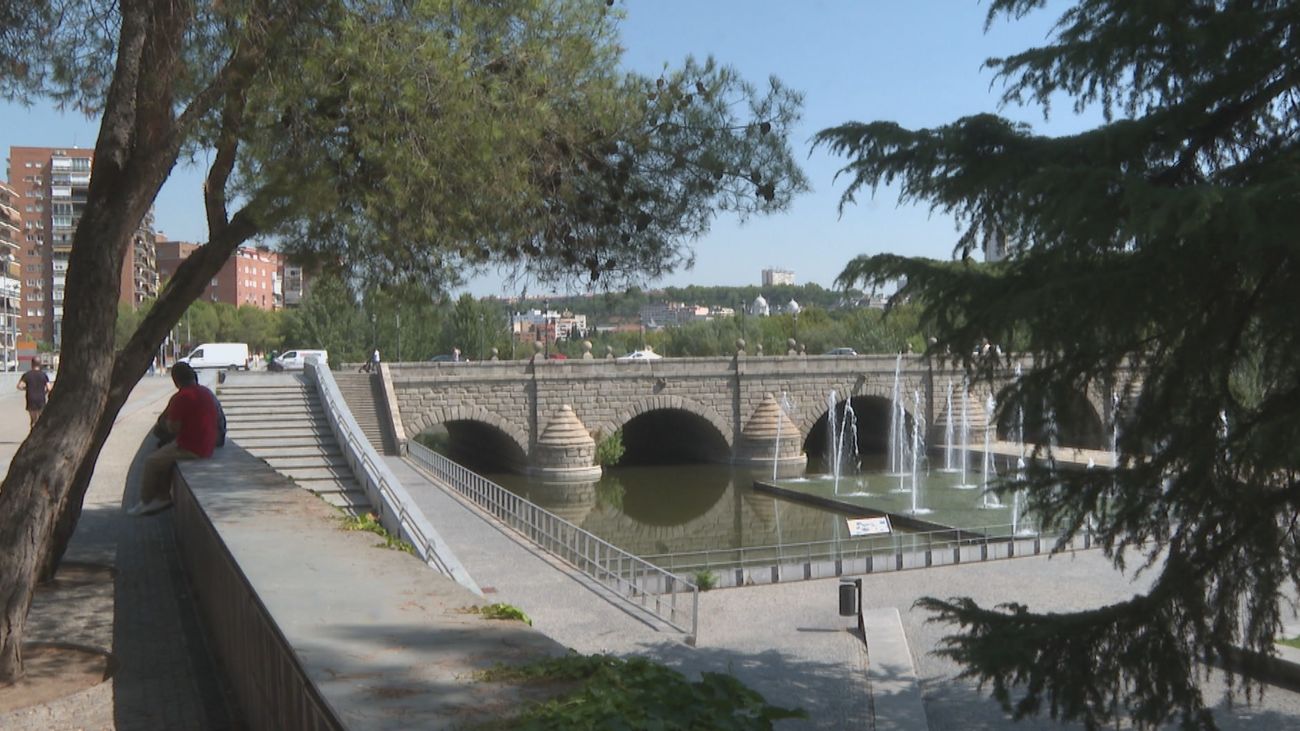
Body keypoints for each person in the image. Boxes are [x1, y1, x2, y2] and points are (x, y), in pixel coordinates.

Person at [128, 362, 220, 516]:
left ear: (176, 380)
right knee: (165, 455)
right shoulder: (204, 392)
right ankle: (162, 495)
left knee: (152, 461)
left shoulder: (181, 397)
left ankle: (147, 501)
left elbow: (172, 428)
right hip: (208, 444)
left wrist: (166, 421)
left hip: (192, 447)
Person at [17, 360, 52, 428]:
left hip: (31, 398)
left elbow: (19, 386)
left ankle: (33, 430)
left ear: (32, 364)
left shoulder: (27, 374)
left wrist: (27, 389)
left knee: (33, 420)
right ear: (39, 364)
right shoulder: (43, 375)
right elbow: (49, 388)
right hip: (41, 398)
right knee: (40, 418)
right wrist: (44, 392)